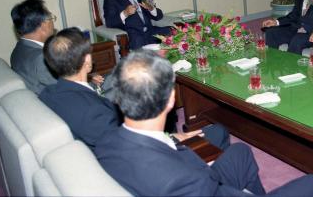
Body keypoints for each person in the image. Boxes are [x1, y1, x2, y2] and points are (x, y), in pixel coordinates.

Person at [95, 50, 313, 197]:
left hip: (183, 178)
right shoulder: (185, 181)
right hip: (199, 185)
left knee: (240, 152)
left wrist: (173, 140)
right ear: (170, 100)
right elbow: (195, 181)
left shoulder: (106, 142)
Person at [40, 28, 229, 151]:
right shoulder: (95, 114)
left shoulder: (47, 95)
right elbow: (130, 147)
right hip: (150, 158)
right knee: (218, 133)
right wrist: (172, 138)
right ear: (87, 60)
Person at [10, 0, 106, 95]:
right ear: (43, 25)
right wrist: (90, 81)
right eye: (50, 18)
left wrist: (89, 77)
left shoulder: (18, 50)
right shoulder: (41, 59)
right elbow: (72, 90)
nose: (53, 22)